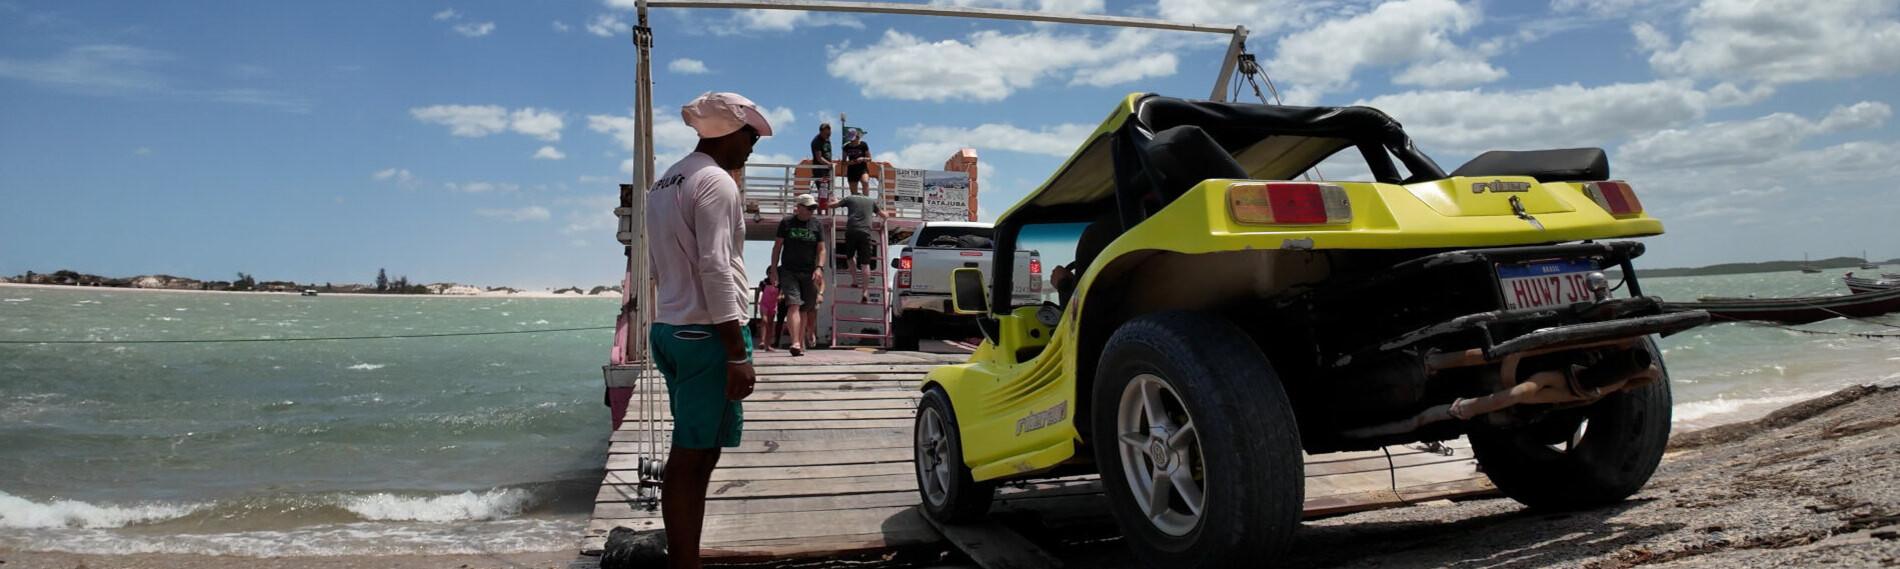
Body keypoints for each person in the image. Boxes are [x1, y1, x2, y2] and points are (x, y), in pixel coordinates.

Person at [644, 91, 771, 569]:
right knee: (691, 456)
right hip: (707, 335)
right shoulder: (716, 182)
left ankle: (687, 552)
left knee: (700, 449)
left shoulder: (667, 180)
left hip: (672, 327)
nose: (754, 143)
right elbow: (716, 267)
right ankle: (684, 562)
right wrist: (736, 353)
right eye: (749, 134)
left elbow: (660, 259)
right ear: (727, 133)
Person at [769, 193, 825, 356]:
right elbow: (777, 247)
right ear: (798, 207)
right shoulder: (786, 223)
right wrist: (774, 269)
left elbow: (821, 249)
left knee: (805, 309)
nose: (811, 211)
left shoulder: (817, 225)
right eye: (808, 208)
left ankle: (799, 343)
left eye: (813, 208)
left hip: (809, 272)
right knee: (794, 304)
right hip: (789, 271)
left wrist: (819, 267)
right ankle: (794, 342)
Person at [835, 188, 888, 303]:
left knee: (850, 257)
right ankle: (865, 291)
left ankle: (854, 280)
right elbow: (883, 215)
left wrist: (832, 200)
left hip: (852, 231)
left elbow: (833, 205)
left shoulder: (850, 198)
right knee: (865, 263)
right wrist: (886, 216)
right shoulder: (871, 201)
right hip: (865, 233)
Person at [810, 123, 834, 214]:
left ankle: (827, 211)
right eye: (826, 133)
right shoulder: (817, 141)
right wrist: (829, 164)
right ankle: (820, 212)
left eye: (829, 133)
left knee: (828, 191)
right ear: (821, 132)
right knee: (822, 191)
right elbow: (819, 158)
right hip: (819, 169)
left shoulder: (827, 139)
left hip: (827, 169)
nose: (828, 135)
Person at [842, 128, 872, 197]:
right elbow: (843, 162)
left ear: (857, 137)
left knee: (865, 182)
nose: (852, 141)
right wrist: (850, 162)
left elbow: (870, 159)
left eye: (853, 139)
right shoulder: (846, 147)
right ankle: (856, 204)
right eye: (850, 139)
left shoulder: (863, 145)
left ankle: (866, 200)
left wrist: (862, 158)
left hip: (862, 168)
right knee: (854, 193)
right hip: (852, 170)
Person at [752, 277, 778, 352]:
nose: (772, 274)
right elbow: (757, 292)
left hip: (773, 306)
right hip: (764, 305)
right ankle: (762, 341)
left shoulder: (778, 283)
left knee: (770, 324)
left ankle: (768, 345)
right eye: (770, 273)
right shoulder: (764, 282)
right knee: (764, 320)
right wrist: (756, 303)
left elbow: (782, 292)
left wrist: (781, 296)